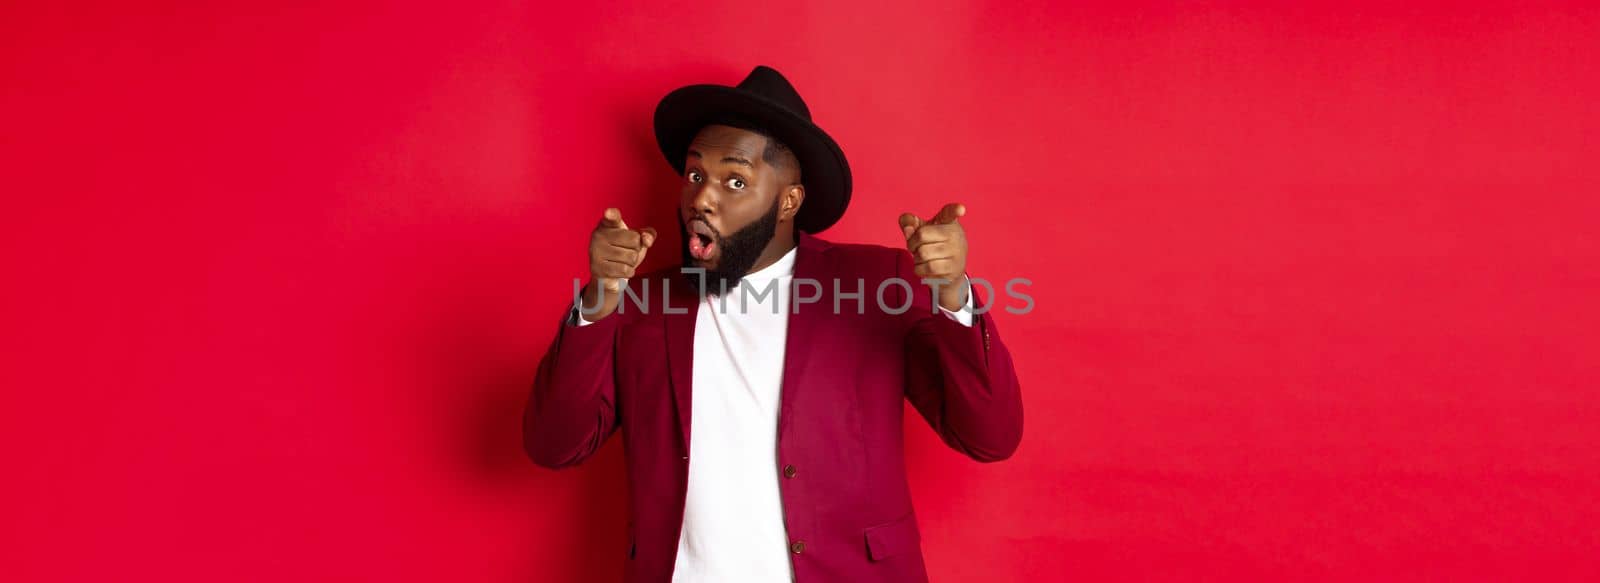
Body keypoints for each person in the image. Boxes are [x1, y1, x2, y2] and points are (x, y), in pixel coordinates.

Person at [524, 65, 1024, 583]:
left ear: (788, 201)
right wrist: (602, 295)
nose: (702, 198)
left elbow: (990, 435)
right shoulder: (641, 301)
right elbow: (554, 444)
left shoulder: (878, 283)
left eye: (735, 180)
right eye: (695, 176)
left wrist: (951, 292)